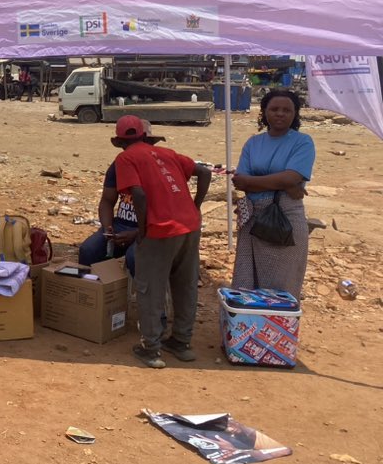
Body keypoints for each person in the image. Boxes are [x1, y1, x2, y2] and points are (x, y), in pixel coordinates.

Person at [113, 115, 210, 369]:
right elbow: (204, 172)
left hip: (160, 230)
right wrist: (196, 206)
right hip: (189, 226)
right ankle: (182, 342)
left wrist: (142, 229)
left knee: (150, 289)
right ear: (146, 136)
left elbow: (139, 194)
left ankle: (151, 348)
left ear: (119, 141)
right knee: (185, 284)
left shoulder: (126, 158)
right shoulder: (167, 153)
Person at [230, 89, 315, 298]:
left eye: (287, 110)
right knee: (246, 282)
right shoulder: (253, 143)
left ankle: (275, 320)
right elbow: (240, 181)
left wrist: (284, 182)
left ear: (295, 114)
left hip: (284, 220)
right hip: (252, 219)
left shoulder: (303, 142)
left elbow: (291, 178)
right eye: (274, 109)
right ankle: (248, 321)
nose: (280, 114)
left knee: (281, 287)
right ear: (264, 111)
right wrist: (283, 183)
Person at [78, 121, 168, 274]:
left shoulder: (161, 165)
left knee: (135, 258)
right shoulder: (119, 164)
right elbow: (107, 200)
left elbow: (166, 215)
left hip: (151, 229)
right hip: (121, 225)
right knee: (88, 250)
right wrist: (107, 229)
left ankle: (144, 290)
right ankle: (92, 288)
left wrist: (137, 233)